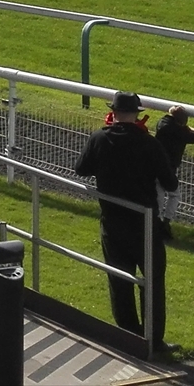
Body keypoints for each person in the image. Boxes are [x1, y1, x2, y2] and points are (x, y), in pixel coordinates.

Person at [74, 91, 176, 345]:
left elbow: (81, 169)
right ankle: (153, 339)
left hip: (112, 220)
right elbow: (170, 183)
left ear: (113, 112)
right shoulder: (149, 143)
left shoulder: (99, 138)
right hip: (144, 222)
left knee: (119, 280)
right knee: (153, 281)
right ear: (137, 114)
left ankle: (128, 335)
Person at [154, 105, 194, 233]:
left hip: (155, 166)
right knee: (173, 195)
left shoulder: (162, 123)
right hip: (167, 170)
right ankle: (164, 223)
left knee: (159, 197)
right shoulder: (179, 132)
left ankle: (157, 223)